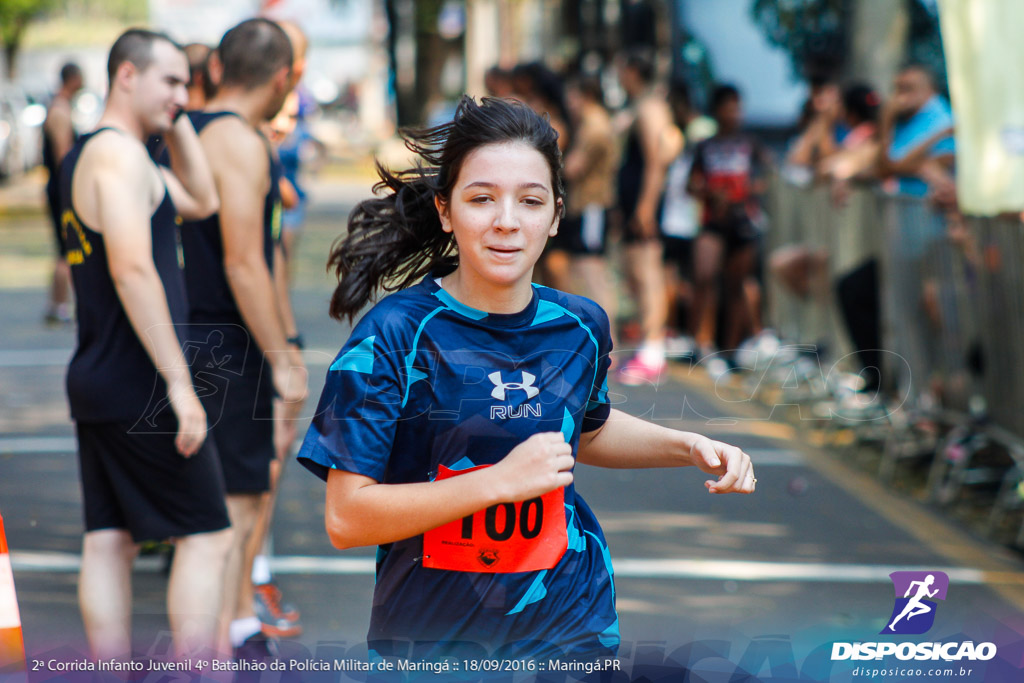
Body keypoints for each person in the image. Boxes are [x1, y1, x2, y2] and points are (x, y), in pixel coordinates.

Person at [297, 96, 755, 662]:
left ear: (556, 215)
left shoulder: (581, 326)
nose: (507, 221)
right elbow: (346, 517)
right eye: (481, 198)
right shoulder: (393, 334)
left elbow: (584, 431)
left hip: (570, 620)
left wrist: (687, 446)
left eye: (530, 201)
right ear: (446, 211)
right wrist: (498, 482)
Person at [59, 28, 227, 661]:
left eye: (188, 83)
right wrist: (181, 389)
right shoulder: (121, 159)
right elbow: (133, 269)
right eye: (172, 80)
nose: (183, 93)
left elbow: (204, 200)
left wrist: (175, 117)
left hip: (98, 374)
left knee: (110, 539)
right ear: (126, 75)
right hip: (141, 380)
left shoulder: (95, 156)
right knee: (207, 535)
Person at [180, 18, 307, 658]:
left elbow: (265, 254)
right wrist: (284, 359)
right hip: (225, 343)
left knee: (243, 502)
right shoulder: (240, 142)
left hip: (198, 337)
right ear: (283, 77)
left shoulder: (191, 133)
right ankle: (212, 655)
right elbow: (243, 261)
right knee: (228, 515)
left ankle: (236, 629)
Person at [687, 84, 770, 377]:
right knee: (704, 276)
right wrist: (710, 193)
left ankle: (731, 350)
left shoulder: (751, 144)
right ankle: (702, 341)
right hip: (713, 222)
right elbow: (691, 183)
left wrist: (742, 193)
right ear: (717, 110)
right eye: (729, 107)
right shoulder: (705, 146)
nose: (735, 113)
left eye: (738, 107)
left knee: (736, 286)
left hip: (743, 222)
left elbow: (765, 179)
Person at [615, 50, 682, 385]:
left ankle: (654, 350)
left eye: (619, 67)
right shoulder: (640, 105)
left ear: (631, 69)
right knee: (636, 273)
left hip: (645, 206)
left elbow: (657, 161)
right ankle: (647, 344)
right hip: (634, 205)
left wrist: (645, 206)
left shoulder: (650, 107)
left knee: (648, 271)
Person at [42, 62, 83, 326]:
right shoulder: (60, 110)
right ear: (73, 79)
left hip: (56, 186)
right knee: (66, 249)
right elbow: (63, 155)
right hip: (60, 188)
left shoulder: (57, 107)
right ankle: (59, 304)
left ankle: (56, 304)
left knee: (64, 249)